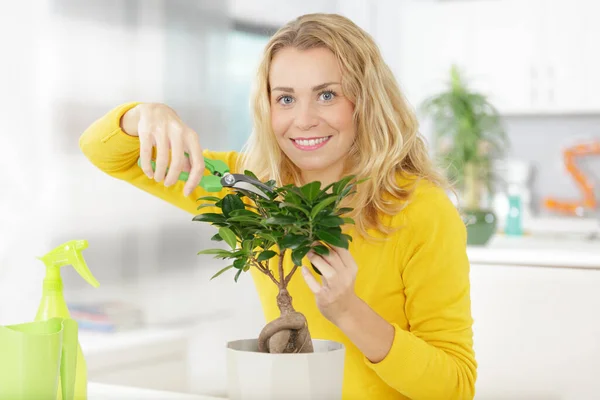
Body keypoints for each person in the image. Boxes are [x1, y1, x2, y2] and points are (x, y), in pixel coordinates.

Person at [80, 13, 476, 400]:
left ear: (367, 100)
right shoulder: (247, 187)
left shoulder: (420, 209)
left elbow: (454, 386)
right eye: (285, 98)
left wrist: (348, 311)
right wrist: (145, 115)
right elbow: (104, 152)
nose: (303, 120)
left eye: (327, 95)